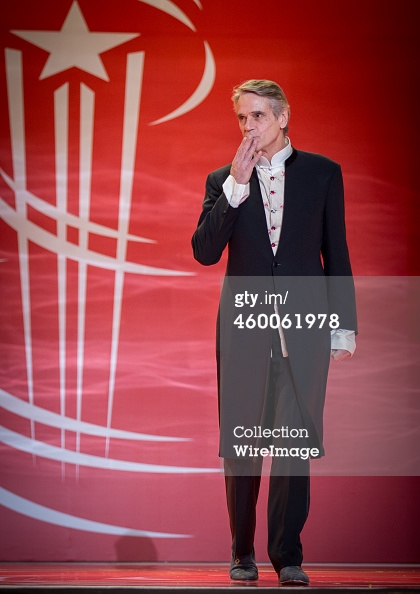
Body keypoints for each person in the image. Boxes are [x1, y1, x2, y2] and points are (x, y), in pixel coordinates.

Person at [191, 79, 357, 585]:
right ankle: (242, 553)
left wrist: (342, 326)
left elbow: (336, 252)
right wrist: (236, 187)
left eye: (258, 116)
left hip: (302, 333)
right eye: (242, 118)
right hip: (244, 331)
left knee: (291, 446)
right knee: (242, 442)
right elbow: (204, 251)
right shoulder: (223, 180)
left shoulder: (323, 174)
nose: (249, 126)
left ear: (283, 117)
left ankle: (288, 557)